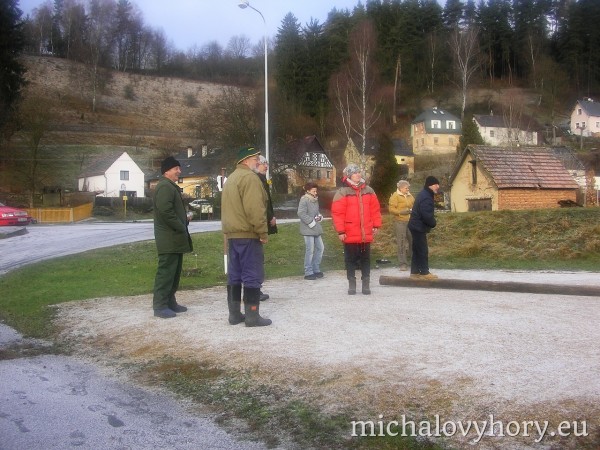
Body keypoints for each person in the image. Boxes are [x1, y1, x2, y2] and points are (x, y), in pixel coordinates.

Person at [221, 146, 271, 327]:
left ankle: (234, 315)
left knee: (234, 275)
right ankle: (252, 316)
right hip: (248, 234)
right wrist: (262, 232)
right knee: (252, 274)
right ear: (246, 160)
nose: (258, 162)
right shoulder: (250, 178)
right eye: (255, 159)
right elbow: (255, 209)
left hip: (232, 235)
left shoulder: (231, 178)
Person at [152, 156, 193, 319]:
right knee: (166, 273)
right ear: (167, 171)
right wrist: (181, 225)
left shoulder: (170, 186)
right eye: (176, 168)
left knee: (174, 273)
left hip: (174, 238)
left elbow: (170, 211)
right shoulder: (164, 187)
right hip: (168, 239)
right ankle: (160, 305)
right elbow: (166, 212)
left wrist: (184, 219)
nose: (179, 171)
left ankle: (170, 301)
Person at [331, 164, 382, 295]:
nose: (358, 174)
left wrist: (376, 225)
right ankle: (352, 284)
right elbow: (337, 213)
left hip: (365, 232)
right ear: (349, 175)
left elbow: (375, 210)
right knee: (350, 260)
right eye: (355, 173)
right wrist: (341, 231)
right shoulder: (342, 192)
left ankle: (366, 284)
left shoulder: (369, 190)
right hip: (349, 232)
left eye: (359, 172)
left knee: (366, 259)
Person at [408, 176, 440, 280]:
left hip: (415, 225)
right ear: (430, 185)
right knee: (422, 249)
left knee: (417, 249)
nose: (438, 187)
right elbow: (426, 214)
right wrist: (433, 223)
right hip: (418, 226)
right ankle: (424, 272)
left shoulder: (424, 194)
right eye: (436, 184)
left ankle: (415, 272)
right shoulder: (426, 196)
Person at [254, 155, 276, 301]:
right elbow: (261, 203)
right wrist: (269, 217)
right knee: (255, 258)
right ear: (257, 165)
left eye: (267, 164)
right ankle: (254, 289)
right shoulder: (257, 180)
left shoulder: (262, 179)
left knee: (257, 257)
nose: (266, 167)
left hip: (260, 223)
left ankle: (256, 288)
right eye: (264, 164)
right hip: (257, 224)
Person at [297, 181, 324, 280]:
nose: (315, 193)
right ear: (308, 191)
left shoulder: (315, 199)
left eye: (316, 191)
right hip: (308, 228)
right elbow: (301, 213)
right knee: (310, 250)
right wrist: (311, 222)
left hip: (315, 228)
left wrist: (319, 216)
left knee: (320, 248)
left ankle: (316, 269)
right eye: (314, 191)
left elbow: (316, 212)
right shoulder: (304, 199)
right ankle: (308, 272)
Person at [388, 180, 414, 271]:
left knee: (413, 240)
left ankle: (413, 260)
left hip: (410, 221)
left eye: (408, 188)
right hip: (400, 222)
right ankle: (403, 263)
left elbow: (414, 204)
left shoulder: (410, 195)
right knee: (401, 242)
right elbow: (391, 209)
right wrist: (400, 212)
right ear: (401, 188)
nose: (408, 189)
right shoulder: (395, 196)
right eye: (406, 188)